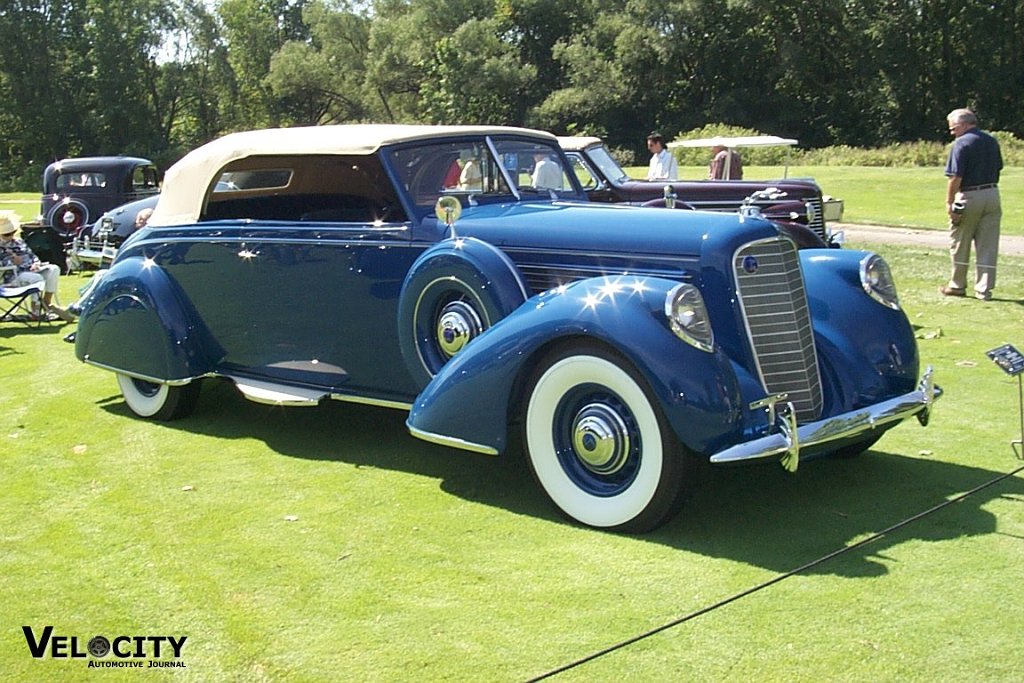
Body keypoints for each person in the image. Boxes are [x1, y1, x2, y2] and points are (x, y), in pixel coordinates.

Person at [940, 108, 1002, 301]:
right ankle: (984, 290)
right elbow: (999, 167)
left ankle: (957, 285)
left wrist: (950, 202)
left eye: (954, 128)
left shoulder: (961, 143)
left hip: (969, 196)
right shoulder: (991, 140)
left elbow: (955, 176)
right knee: (988, 245)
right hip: (992, 194)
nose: (952, 132)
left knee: (960, 241)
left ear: (965, 124)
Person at [0, 212, 74, 321]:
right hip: (12, 277)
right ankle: (35, 309)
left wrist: (36, 263)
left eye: (12, 232)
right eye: (7, 234)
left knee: (54, 269)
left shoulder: (19, 242)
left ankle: (46, 302)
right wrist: (13, 262)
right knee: (36, 278)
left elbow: (32, 255)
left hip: (30, 270)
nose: (10, 236)